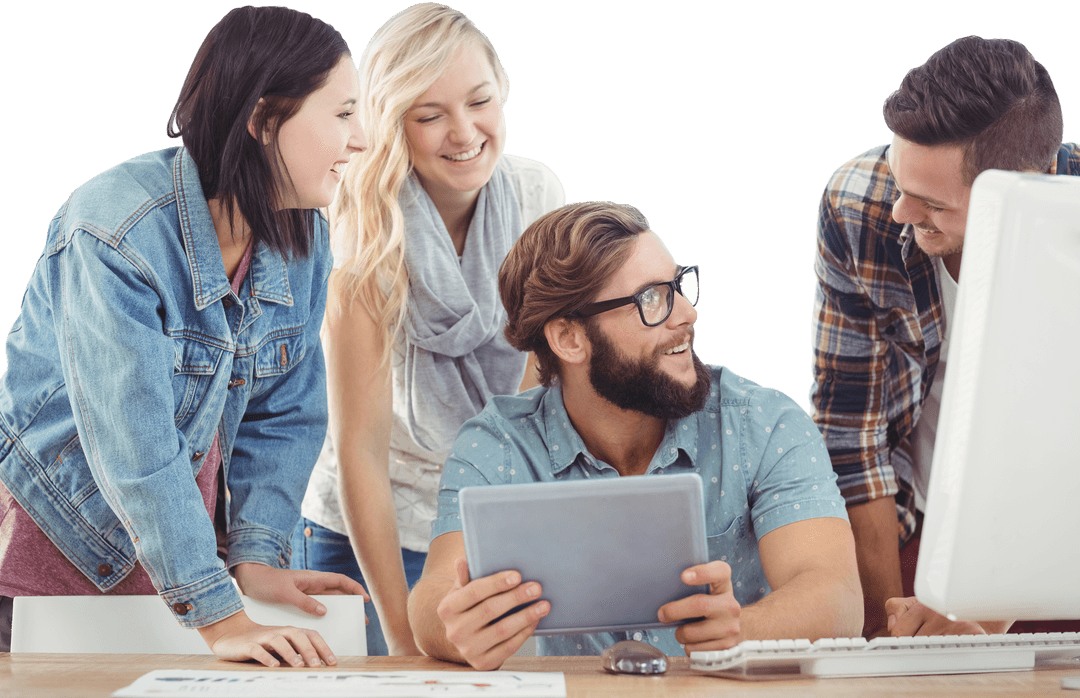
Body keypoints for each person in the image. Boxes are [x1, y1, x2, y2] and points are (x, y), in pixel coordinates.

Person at [0, 6, 369, 665]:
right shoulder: (115, 231)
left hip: (182, 570)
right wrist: (224, 617)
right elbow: (134, 444)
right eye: (343, 113)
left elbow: (282, 414)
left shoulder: (302, 234)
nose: (362, 138)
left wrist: (254, 558)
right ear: (263, 119)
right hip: (55, 550)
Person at [407, 201, 863, 669]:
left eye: (679, 286)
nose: (687, 314)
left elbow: (838, 595)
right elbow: (432, 601)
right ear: (568, 339)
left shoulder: (765, 425)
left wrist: (742, 630)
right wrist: (455, 629)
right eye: (651, 299)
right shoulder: (497, 445)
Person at [292, 2, 565, 657]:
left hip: (487, 514)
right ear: (391, 125)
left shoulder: (537, 197)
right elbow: (360, 449)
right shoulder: (361, 242)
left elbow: (532, 398)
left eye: (479, 102)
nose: (465, 132)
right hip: (369, 533)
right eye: (429, 115)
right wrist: (401, 632)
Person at [810, 35, 1079, 639]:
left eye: (930, 202)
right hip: (924, 520)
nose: (900, 211)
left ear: (1017, 189)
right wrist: (885, 636)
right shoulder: (860, 204)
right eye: (899, 178)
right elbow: (851, 429)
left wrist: (988, 605)